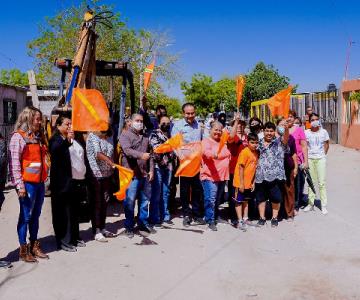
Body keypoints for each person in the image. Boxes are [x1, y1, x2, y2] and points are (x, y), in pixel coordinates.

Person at [8, 106, 49, 262]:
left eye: (40, 119)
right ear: (28, 118)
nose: (40, 121)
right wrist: (20, 187)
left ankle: (34, 245)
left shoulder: (38, 136)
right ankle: (23, 249)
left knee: (36, 216)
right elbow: (14, 165)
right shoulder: (17, 137)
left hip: (39, 183)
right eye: (37, 118)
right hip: (27, 184)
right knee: (25, 217)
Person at [49, 116, 87, 251]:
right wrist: (67, 140)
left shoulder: (72, 139)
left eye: (71, 124)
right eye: (67, 124)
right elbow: (55, 150)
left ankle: (74, 236)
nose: (70, 126)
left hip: (74, 181)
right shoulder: (56, 139)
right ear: (58, 126)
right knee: (62, 213)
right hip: (60, 183)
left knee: (73, 212)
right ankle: (63, 240)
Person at [119, 113, 154, 238]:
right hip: (131, 174)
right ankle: (129, 226)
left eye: (141, 121)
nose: (140, 123)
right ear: (131, 121)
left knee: (144, 202)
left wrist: (152, 171)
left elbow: (150, 155)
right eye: (137, 120)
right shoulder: (125, 135)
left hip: (144, 174)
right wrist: (140, 155)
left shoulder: (145, 136)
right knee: (129, 202)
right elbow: (127, 151)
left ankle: (142, 224)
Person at [171, 103, 205, 227]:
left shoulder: (199, 125)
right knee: (184, 190)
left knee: (197, 190)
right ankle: (186, 214)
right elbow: (174, 143)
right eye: (188, 113)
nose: (190, 115)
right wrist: (180, 156)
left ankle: (196, 214)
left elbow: (202, 141)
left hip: (196, 164)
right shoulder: (178, 126)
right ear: (183, 113)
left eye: (192, 113)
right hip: (185, 163)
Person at [255, 121, 289, 227]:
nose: (269, 133)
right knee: (261, 198)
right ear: (263, 131)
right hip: (261, 176)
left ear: (274, 132)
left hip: (276, 176)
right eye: (267, 131)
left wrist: (286, 129)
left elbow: (286, 139)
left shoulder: (279, 142)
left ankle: (274, 218)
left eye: (271, 131)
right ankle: (262, 217)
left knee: (276, 198)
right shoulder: (258, 143)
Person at [86, 129, 116, 242]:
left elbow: (112, 152)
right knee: (97, 203)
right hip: (96, 174)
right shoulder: (93, 136)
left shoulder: (108, 136)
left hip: (107, 174)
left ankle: (103, 228)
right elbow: (98, 154)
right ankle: (96, 230)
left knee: (105, 202)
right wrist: (110, 162)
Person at [200, 121, 231, 231]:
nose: (218, 132)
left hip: (222, 176)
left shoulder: (222, 142)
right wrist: (213, 155)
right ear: (210, 130)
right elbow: (205, 152)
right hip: (209, 177)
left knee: (217, 199)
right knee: (211, 199)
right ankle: (210, 220)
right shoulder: (206, 141)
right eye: (215, 129)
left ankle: (216, 216)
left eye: (220, 130)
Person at [149, 116, 177, 226]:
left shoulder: (171, 135)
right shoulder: (154, 134)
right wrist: (171, 147)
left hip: (169, 167)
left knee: (166, 192)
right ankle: (154, 218)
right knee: (156, 193)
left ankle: (165, 216)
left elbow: (174, 150)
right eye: (163, 122)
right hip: (157, 167)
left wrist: (172, 148)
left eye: (168, 122)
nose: (166, 124)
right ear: (159, 123)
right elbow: (157, 149)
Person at [304, 113, 330, 215]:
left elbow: (327, 143)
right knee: (311, 182)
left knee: (322, 183)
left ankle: (323, 205)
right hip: (310, 158)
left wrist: (323, 154)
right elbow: (304, 146)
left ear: (319, 120)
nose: (315, 121)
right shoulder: (306, 132)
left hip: (320, 159)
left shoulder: (323, 132)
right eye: (313, 119)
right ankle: (310, 203)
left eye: (316, 119)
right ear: (309, 122)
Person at [233, 133, 259, 231]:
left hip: (249, 183)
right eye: (252, 142)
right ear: (247, 142)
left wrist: (253, 182)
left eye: (256, 143)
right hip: (240, 182)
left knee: (246, 201)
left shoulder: (256, 153)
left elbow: (254, 169)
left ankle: (245, 218)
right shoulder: (244, 152)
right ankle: (239, 221)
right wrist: (241, 183)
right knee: (239, 201)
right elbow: (241, 168)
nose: (254, 145)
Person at [227, 115, 248, 225]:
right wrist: (236, 121)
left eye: (241, 124)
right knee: (233, 193)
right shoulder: (232, 137)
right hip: (233, 169)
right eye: (237, 124)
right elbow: (231, 137)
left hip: (246, 170)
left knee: (244, 193)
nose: (239, 126)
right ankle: (233, 216)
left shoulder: (247, 137)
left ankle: (245, 215)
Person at [287, 110, 308, 213]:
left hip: (298, 161)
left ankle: (296, 204)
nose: (288, 118)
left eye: (291, 116)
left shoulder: (299, 130)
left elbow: (304, 146)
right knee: (287, 185)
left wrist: (306, 162)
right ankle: (287, 204)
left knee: (297, 184)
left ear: (294, 118)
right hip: (285, 162)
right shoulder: (281, 129)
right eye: (287, 116)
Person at [277, 119, 298, 221]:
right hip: (276, 168)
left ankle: (289, 213)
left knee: (289, 190)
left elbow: (294, 153)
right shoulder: (273, 138)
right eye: (280, 125)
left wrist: (296, 168)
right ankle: (279, 212)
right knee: (279, 190)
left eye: (284, 125)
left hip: (288, 166)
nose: (282, 126)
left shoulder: (291, 138)